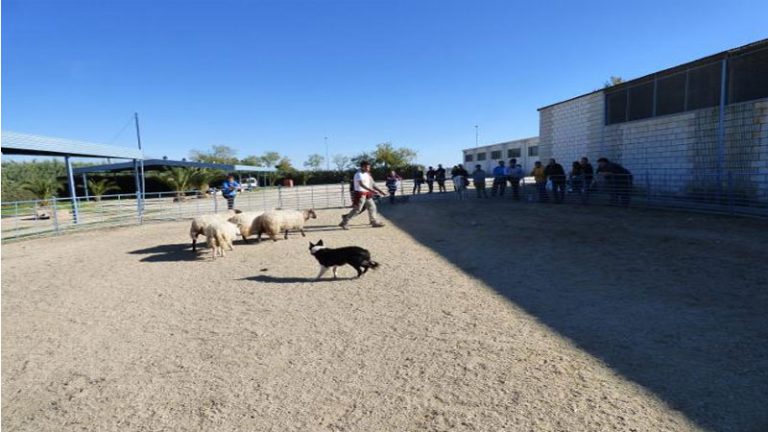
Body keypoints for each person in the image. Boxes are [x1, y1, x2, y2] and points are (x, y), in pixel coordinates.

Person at [340, 161, 387, 229]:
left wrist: (381, 191)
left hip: (367, 193)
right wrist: (372, 190)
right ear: (362, 167)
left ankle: (373, 221)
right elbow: (361, 184)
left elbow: (372, 184)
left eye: (369, 167)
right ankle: (345, 221)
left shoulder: (367, 174)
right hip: (360, 194)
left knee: (372, 207)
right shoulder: (358, 174)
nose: (368, 168)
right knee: (357, 209)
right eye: (367, 167)